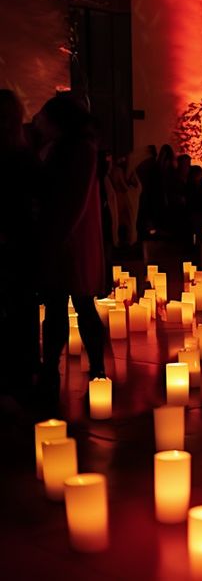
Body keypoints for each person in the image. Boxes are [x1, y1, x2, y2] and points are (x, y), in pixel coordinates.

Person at [35, 93, 108, 392]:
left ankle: (95, 369)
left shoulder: (79, 150)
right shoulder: (64, 147)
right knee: (61, 306)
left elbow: (73, 200)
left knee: (79, 305)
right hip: (64, 238)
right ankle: (53, 369)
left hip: (70, 241)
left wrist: (56, 237)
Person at [0, 90, 40, 395]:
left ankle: (18, 373)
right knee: (21, 309)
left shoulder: (21, 157)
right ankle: (24, 372)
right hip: (22, 243)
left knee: (18, 308)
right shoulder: (25, 156)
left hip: (16, 243)